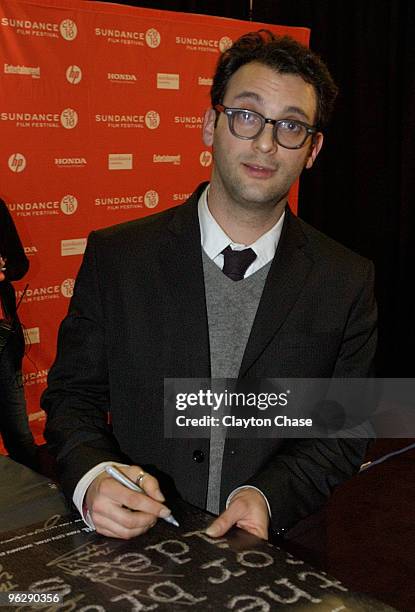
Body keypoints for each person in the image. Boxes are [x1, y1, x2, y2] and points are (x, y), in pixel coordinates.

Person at [42, 31, 377, 541]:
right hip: (137, 548)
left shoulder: (347, 279)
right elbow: (72, 396)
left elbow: (345, 428)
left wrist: (268, 495)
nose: (265, 143)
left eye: (291, 125)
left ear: (313, 149)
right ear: (210, 125)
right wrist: (92, 479)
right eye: (247, 114)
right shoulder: (119, 257)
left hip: (279, 555)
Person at [0, 198, 38, 470]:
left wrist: (3, 268)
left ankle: (37, 504)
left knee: (19, 433)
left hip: (2, 337)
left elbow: (19, 264)